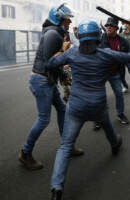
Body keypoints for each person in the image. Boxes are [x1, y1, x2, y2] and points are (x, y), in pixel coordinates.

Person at [48, 19, 130, 200]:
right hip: (97, 104)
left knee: (66, 146)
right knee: (106, 124)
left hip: (76, 106)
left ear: (80, 38)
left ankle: (56, 189)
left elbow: (51, 63)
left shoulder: (72, 53)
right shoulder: (105, 53)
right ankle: (115, 145)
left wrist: (63, 49)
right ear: (99, 37)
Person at [18, 3, 83, 171]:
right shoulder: (53, 34)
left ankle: (67, 146)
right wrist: (64, 51)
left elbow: (55, 62)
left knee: (62, 109)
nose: (69, 22)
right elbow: (50, 62)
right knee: (44, 119)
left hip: (47, 80)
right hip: (41, 81)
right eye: (67, 19)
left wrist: (62, 77)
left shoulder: (57, 32)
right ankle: (25, 153)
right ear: (58, 18)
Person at [97, 17, 130, 126]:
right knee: (99, 96)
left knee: (119, 94)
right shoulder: (100, 38)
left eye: (111, 26)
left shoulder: (123, 41)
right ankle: (98, 118)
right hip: (101, 73)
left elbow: (127, 56)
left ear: (116, 28)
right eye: (107, 26)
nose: (108, 27)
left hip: (115, 73)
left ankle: (120, 114)